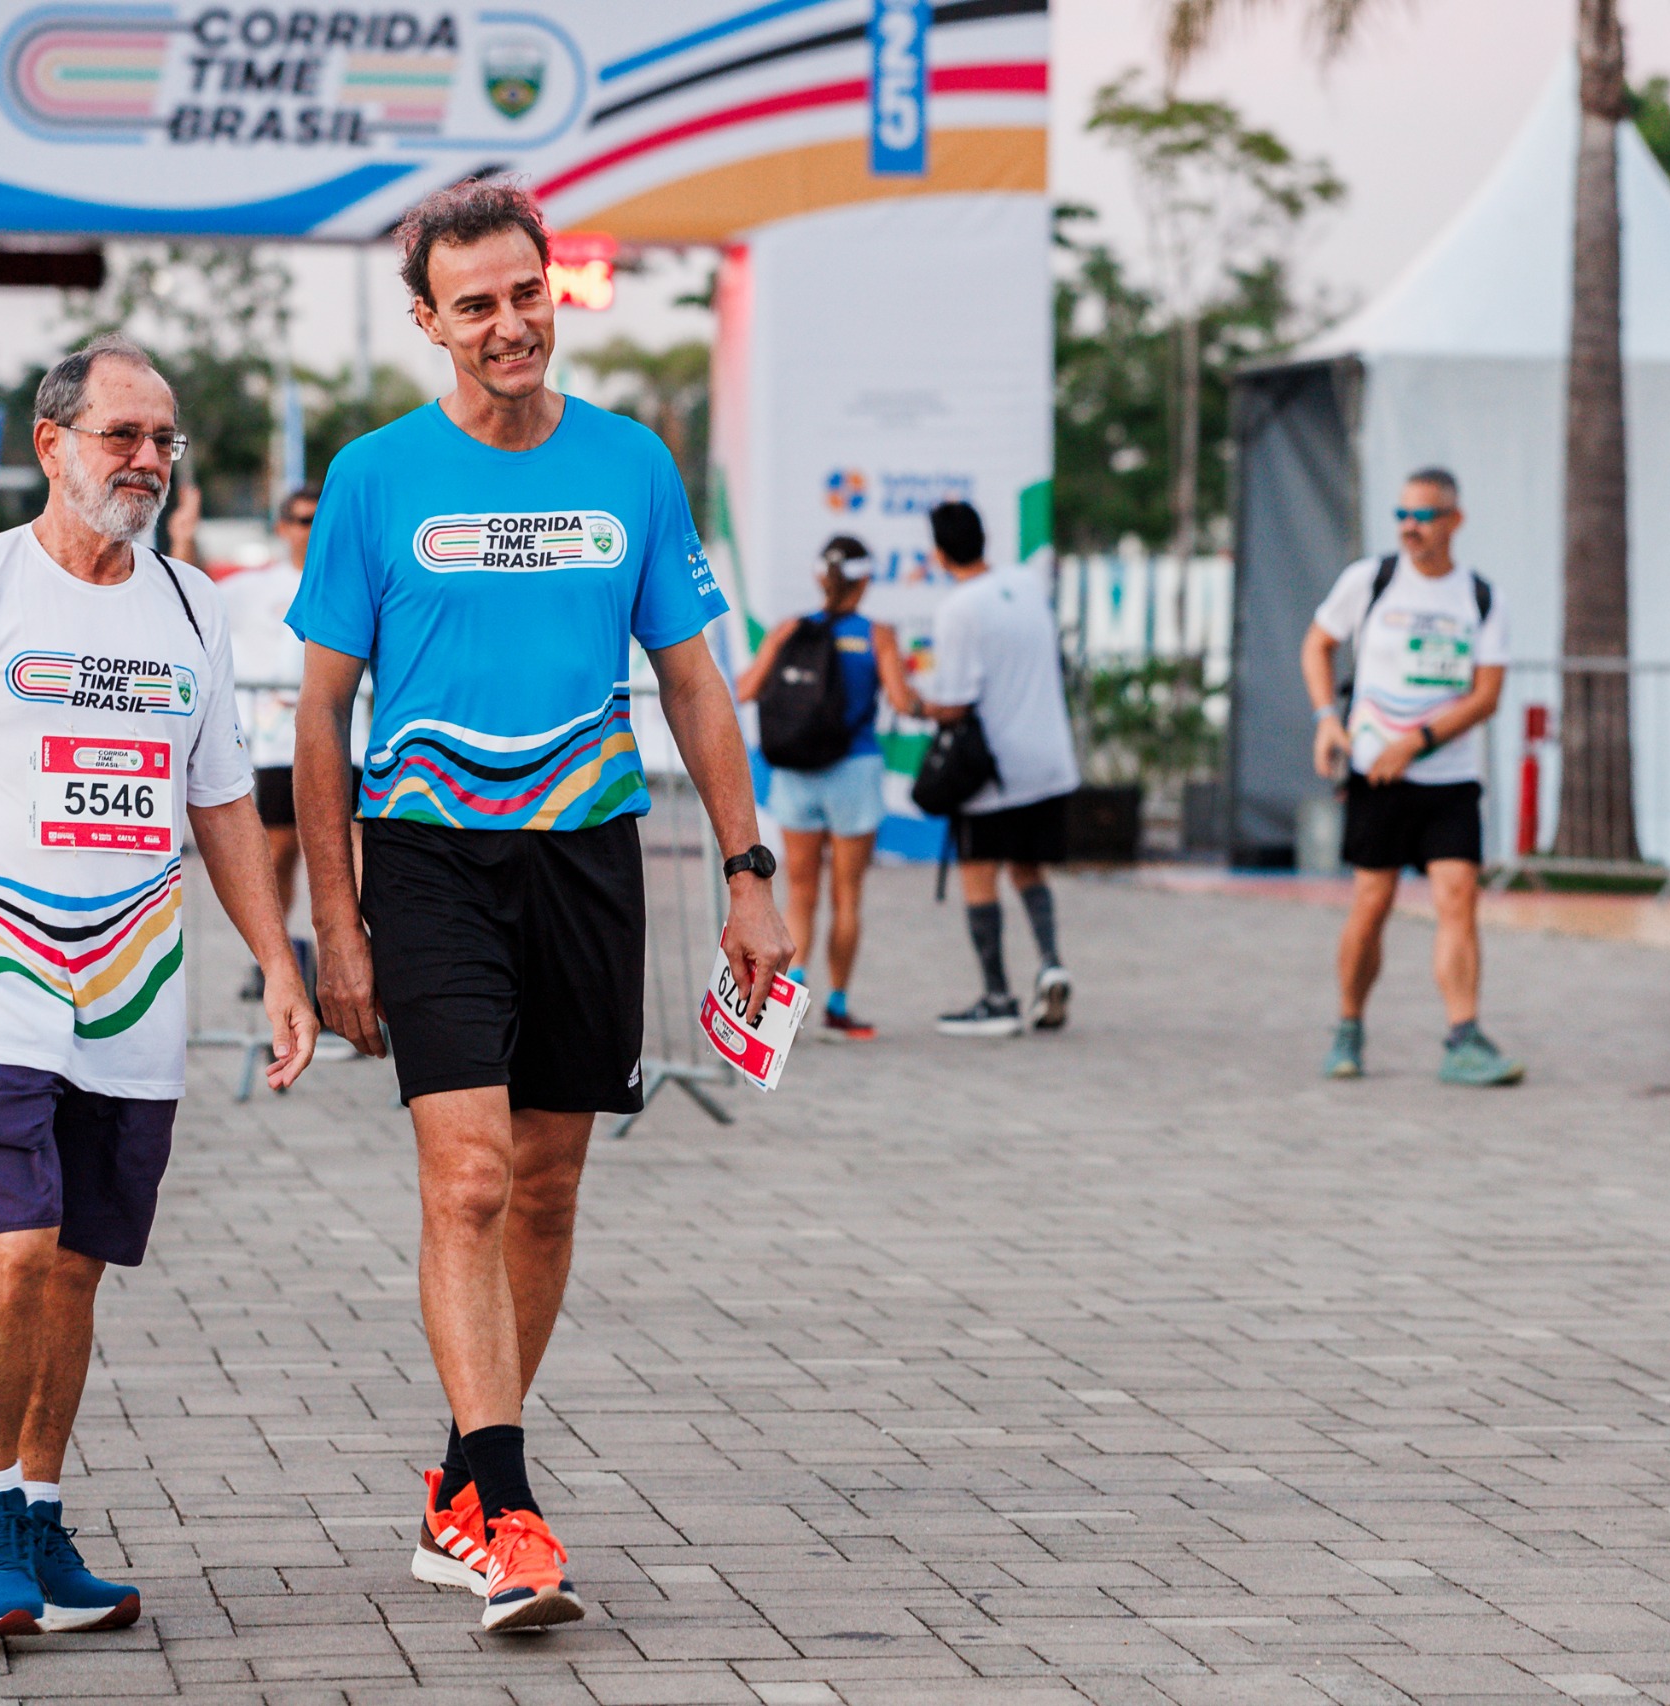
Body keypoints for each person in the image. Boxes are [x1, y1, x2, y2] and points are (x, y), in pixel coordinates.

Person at [290, 179, 791, 1633]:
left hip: (590, 852)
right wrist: (337, 921)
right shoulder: (377, 478)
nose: (510, 324)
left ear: (551, 290)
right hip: (431, 855)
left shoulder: (632, 462)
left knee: (553, 1184)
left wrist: (750, 879)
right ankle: (507, 1511)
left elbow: (694, 682)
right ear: (428, 321)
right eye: (476, 305)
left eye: (528, 293)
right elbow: (321, 717)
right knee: (469, 1179)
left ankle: (459, 1473)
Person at [0, 336, 318, 1639]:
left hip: (136, 983)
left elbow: (219, 805)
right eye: (121, 435)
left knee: (80, 1265)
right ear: (53, 444)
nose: (146, 459)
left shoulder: (193, 606)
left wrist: (278, 962)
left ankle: (39, 1512)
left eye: (164, 439)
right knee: (17, 1244)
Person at [1302, 467, 1521, 1086]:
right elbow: (1316, 644)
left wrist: (1420, 741)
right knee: (1372, 903)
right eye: (1402, 515)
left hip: (1449, 778)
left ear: (1454, 520)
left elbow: (1486, 696)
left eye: (1423, 516)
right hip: (1378, 777)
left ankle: (1463, 1036)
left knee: (1458, 899)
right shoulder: (1371, 581)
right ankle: (1348, 1026)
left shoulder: (1480, 597)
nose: (1409, 527)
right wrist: (1326, 720)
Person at [734, 536, 917, 1039]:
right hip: (854, 772)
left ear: (821, 577)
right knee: (848, 895)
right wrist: (923, 700)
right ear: (865, 580)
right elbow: (901, 702)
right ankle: (838, 1005)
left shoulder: (790, 629)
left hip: (796, 773)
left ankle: (791, 991)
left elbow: (745, 689)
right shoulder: (877, 634)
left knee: (800, 893)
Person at [918, 499, 1080, 1039]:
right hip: (1048, 759)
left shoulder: (958, 609)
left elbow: (956, 702)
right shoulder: (1027, 584)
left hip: (994, 771)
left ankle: (997, 996)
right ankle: (1052, 963)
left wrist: (914, 699)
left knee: (979, 870)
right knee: (1029, 867)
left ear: (940, 552)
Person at [219, 485, 318, 999]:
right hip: (281, 745)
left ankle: (357, 962)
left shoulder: (353, 577)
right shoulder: (256, 587)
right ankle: (273, 960)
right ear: (282, 527)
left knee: (350, 856)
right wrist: (185, 536)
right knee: (278, 853)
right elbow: (195, 586)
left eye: (319, 520)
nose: (310, 529)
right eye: (301, 520)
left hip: (353, 742)